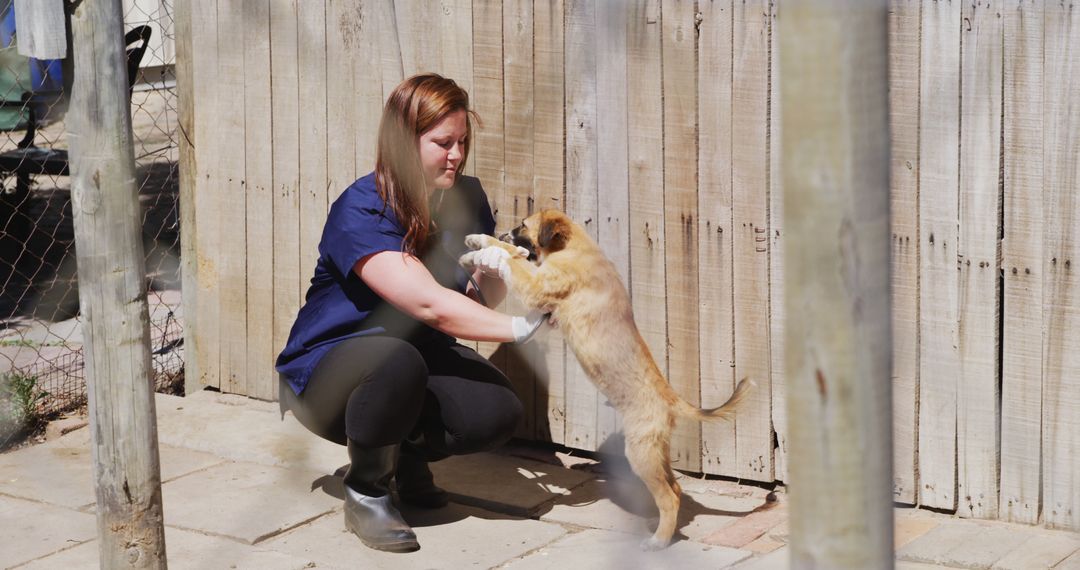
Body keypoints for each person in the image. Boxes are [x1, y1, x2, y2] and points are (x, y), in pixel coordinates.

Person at [274, 74, 544, 553]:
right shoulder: (364, 207)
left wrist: (501, 263)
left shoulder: (466, 197)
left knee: (496, 412)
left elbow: (472, 300)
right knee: (395, 359)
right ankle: (367, 490)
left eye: (462, 141)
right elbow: (428, 305)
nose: (456, 155)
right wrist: (524, 327)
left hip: (414, 357)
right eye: (443, 143)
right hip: (331, 372)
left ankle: (405, 460)